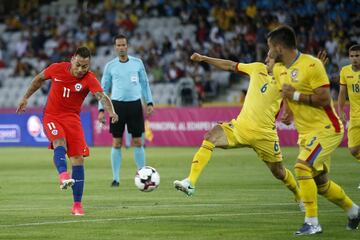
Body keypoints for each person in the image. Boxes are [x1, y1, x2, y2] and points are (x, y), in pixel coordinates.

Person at [174, 51, 303, 211]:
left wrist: (288, 113)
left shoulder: (286, 79)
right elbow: (230, 65)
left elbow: (291, 98)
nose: (265, 59)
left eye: (269, 57)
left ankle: (299, 194)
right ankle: (191, 182)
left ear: (278, 61)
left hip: (265, 135)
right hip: (240, 128)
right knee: (210, 136)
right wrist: (204, 58)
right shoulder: (257, 68)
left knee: (279, 171)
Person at [267, 25, 360, 235]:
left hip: (327, 128)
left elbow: (324, 99)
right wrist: (289, 110)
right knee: (320, 183)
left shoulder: (311, 64)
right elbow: (286, 93)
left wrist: (295, 97)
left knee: (302, 167)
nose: (269, 52)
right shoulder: (279, 69)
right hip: (307, 132)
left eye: (270, 48)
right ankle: (354, 211)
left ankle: (312, 222)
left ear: (279, 47)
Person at [16, 47, 119, 216]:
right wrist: (26, 97)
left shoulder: (89, 78)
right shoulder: (57, 68)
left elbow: (102, 96)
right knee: (59, 142)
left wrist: (111, 112)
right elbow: (38, 79)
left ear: (89, 65)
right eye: (78, 65)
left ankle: (77, 205)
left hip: (72, 120)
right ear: (72, 59)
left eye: (84, 66)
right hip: (52, 116)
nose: (80, 70)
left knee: (78, 160)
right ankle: (63, 175)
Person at [98, 34, 154, 187]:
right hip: (117, 106)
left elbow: (145, 83)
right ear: (115, 47)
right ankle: (116, 178)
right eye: (118, 45)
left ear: (127, 46)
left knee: (137, 141)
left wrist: (149, 102)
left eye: (123, 45)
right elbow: (103, 89)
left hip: (135, 105)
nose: (121, 48)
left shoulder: (137, 63)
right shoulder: (110, 66)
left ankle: (142, 175)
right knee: (116, 142)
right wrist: (101, 109)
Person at [338, 44, 360, 188]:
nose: (354, 59)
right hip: (355, 116)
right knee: (353, 150)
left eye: (357, 56)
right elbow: (342, 93)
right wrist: (340, 110)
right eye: (352, 56)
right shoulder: (345, 71)